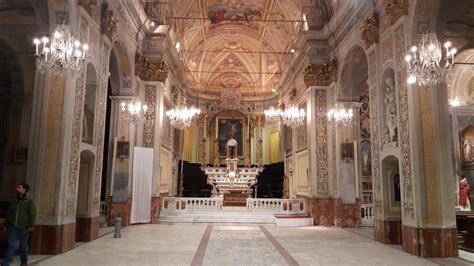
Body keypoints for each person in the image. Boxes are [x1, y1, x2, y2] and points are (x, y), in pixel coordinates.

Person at [2, 183, 36, 266]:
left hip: (23, 227)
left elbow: (32, 213)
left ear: (24, 189)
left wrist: (30, 225)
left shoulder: (29, 201)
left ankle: (24, 261)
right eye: (18, 187)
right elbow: (9, 213)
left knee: (23, 245)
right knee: (11, 244)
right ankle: (7, 262)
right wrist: (7, 224)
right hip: (13, 226)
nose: (17, 189)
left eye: (19, 187)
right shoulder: (14, 200)